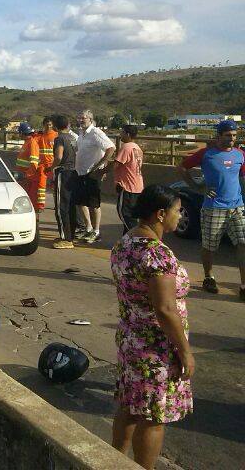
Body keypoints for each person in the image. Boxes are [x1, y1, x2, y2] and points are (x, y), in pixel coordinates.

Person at [111, 185, 194, 470]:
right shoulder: (157, 255)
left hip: (131, 339)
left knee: (130, 407)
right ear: (160, 214)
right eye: (177, 210)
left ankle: (111, 462)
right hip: (155, 349)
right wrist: (185, 352)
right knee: (152, 416)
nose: (179, 215)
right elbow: (165, 309)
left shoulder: (125, 242)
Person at [178, 119, 245, 298]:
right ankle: (209, 277)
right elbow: (183, 167)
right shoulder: (206, 154)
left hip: (237, 207)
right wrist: (197, 187)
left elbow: (242, 176)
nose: (232, 139)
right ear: (219, 135)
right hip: (213, 208)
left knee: (242, 243)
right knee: (209, 246)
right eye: (228, 135)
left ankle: (244, 286)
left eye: (234, 136)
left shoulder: (240, 154)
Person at [75, 110, 116, 243]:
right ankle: (88, 228)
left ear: (91, 120)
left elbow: (110, 148)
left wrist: (99, 167)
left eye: (84, 118)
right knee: (81, 202)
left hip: (92, 174)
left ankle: (96, 231)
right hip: (80, 172)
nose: (81, 120)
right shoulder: (81, 133)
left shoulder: (96, 133)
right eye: (80, 118)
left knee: (94, 204)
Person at [111, 125, 144, 233]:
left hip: (127, 187)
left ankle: (138, 237)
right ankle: (127, 243)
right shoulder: (137, 148)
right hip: (138, 187)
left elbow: (116, 165)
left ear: (128, 134)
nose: (120, 134)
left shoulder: (126, 147)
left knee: (125, 215)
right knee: (132, 216)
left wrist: (100, 171)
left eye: (122, 132)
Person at [51, 115, 78, 248]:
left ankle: (66, 239)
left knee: (61, 206)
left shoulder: (59, 139)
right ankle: (69, 236)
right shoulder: (73, 138)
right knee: (71, 206)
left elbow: (59, 156)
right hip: (74, 172)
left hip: (63, 172)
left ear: (55, 127)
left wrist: (51, 167)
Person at [15, 122, 41, 215]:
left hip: (29, 179)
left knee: (30, 202)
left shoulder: (32, 143)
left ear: (22, 133)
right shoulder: (27, 143)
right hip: (24, 178)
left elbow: (34, 163)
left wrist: (26, 175)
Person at [35, 116, 58, 213]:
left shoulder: (57, 135)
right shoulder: (40, 136)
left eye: (50, 125)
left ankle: (58, 205)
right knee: (41, 186)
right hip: (43, 165)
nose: (48, 126)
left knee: (56, 187)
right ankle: (40, 206)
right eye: (47, 124)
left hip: (54, 165)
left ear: (53, 125)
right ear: (43, 125)